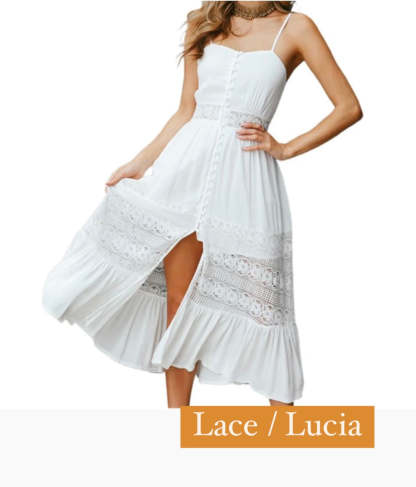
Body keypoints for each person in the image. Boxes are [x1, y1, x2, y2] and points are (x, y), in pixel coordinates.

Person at [42, 1, 363, 408]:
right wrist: (139, 163)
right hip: (185, 174)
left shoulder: (296, 28)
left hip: (247, 179)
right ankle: (178, 427)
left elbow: (348, 107)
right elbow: (186, 111)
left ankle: (285, 433)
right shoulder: (204, 23)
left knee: (264, 309)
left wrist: (285, 148)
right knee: (179, 302)